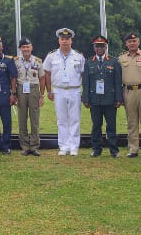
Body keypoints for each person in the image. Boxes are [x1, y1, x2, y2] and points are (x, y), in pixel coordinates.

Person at [42, 27, 84, 156]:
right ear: (58, 41)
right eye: (62, 39)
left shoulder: (79, 56)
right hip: (59, 90)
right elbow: (47, 73)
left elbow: (83, 74)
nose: (65, 41)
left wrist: (84, 92)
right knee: (61, 119)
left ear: (71, 41)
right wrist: (49, 91)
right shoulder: (51, 56)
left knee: (75, 119)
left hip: (74, 90)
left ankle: (74, 147)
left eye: (67, 39)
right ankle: (64, 146)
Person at [83, 36, 123, 157]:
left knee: (111, 126)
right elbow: (86, 82)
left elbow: (118, 82)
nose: (99, 48)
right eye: (97, 46)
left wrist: (119, 98)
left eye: (102, 46)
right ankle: (96, 149)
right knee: (96, 125)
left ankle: (113, 150)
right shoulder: (88, 62)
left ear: (106, 47)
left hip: (110, 99)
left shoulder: (114, 62)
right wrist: (86, 99)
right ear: (94, 47)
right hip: (94, 100)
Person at [13, 38, 44, 156]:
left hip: (34, 89)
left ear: (31, 48)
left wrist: (41, 95)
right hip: (20, 88)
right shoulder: (15, 61)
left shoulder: (38, 61)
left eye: (28, 47)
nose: (26, 49)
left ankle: (34, 146)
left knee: (34, 118)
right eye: (23, 47)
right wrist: (14, 93)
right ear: (20, 49)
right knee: (22, 118)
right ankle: (25, 146)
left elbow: (42, 78)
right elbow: (13, 78)